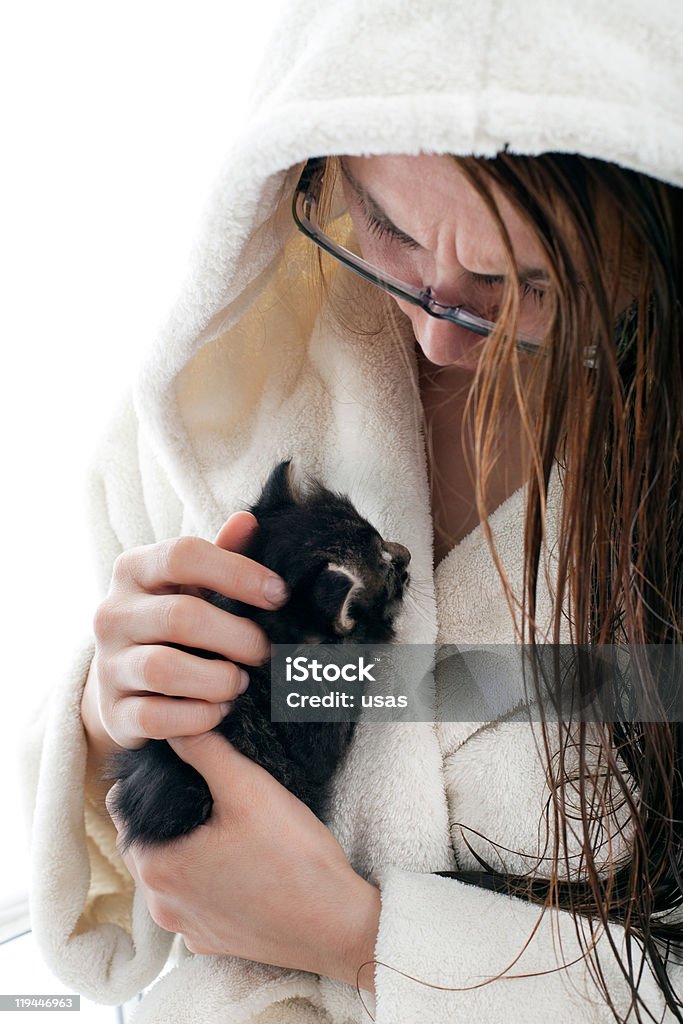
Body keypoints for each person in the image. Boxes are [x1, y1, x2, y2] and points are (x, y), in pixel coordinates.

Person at [23, 1, 683, 1022]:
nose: (435, 335)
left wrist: (369, 944)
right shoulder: (227, 393)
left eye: (528, 286)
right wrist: (120, 712)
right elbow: (132, 908)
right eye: (389, 229)